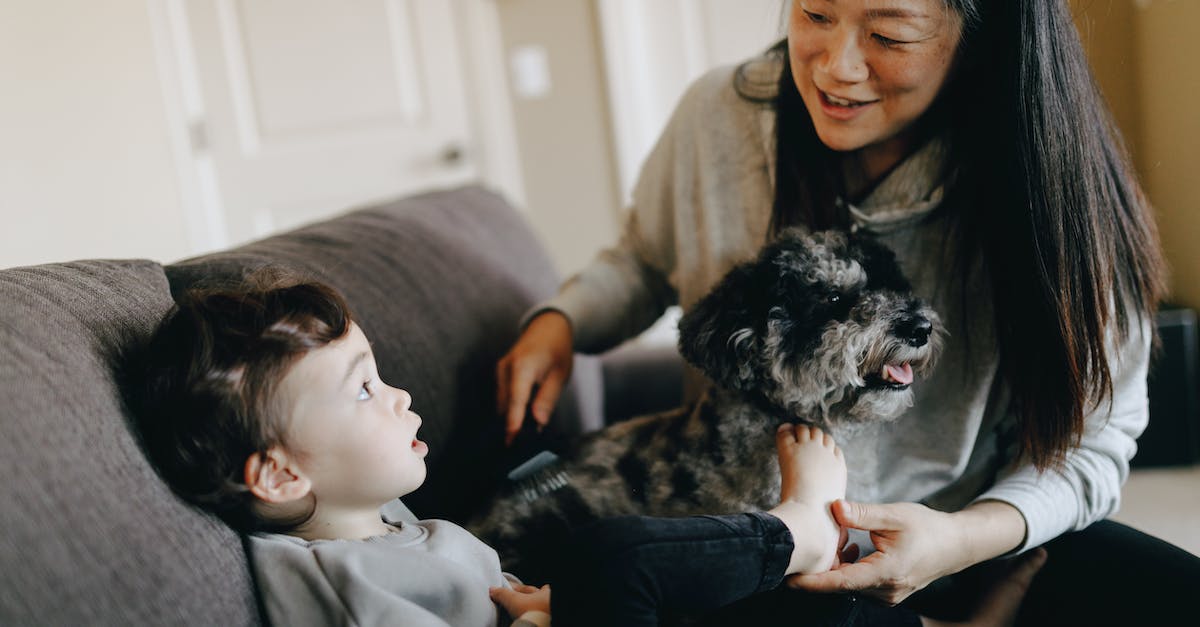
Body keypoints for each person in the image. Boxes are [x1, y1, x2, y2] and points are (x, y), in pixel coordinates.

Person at [497, 0, 1200, 623]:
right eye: (815, 15)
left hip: (971, 531)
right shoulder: (719, 117)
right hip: (767, 543)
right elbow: (643, 259)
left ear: (985, 33)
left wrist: (962, 538)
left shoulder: (1055, 183)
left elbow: (1095, 443)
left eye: (890, 36)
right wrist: (560, 323)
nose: (836, 68)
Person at [128, 277, 1043, 627]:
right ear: (283, 474)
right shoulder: (325, 578)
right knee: (621, 548)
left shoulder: (383, 522)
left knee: (784, 609)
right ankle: (796, 524)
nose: (399, 392)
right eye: (364, 388)